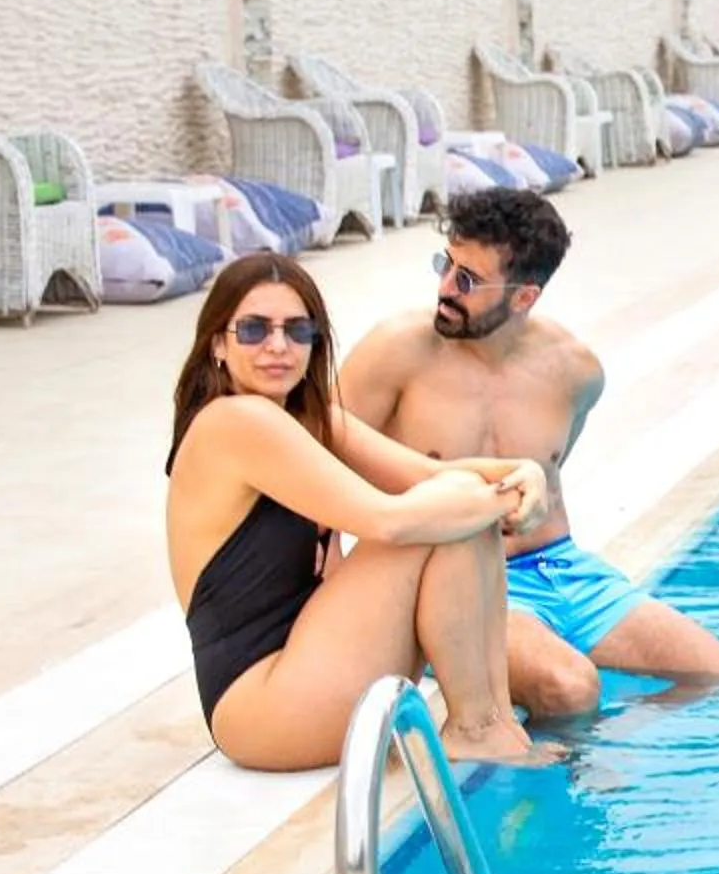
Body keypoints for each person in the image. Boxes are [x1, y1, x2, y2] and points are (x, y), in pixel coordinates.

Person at [340, 187, 719, 721]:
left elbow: (549, 478)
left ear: (524, 297)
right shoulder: (398, 351)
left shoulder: (575, 372)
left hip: (564, 571)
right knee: (567, 687)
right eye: (446, 264)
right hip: (458, 581)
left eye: (468, 280)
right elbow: (320, 457)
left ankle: (611, 753)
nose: (445, 288)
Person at [167, 253, 550, 771]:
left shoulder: (310, 415)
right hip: (262, 707)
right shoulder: (234, 422)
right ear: (218, 342)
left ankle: (493, 726)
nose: (278, 346)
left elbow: (426, 475)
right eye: (254, 329)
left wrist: (525, 472)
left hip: (315, 665)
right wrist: (502, 497)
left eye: (297, 330)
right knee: (444, 517)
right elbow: (385, 519)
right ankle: (475, 729)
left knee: (455, 502)